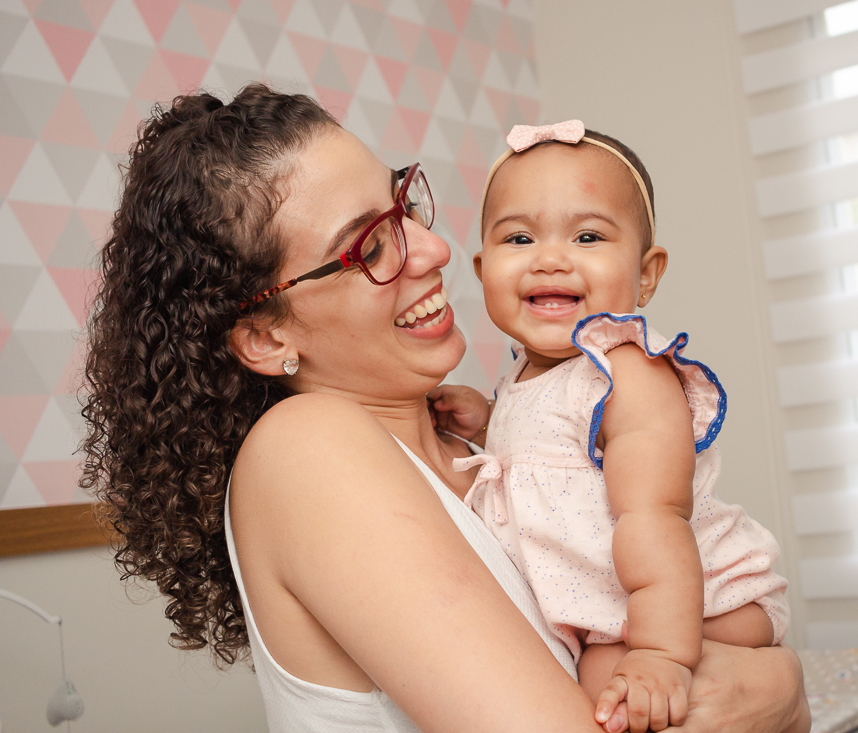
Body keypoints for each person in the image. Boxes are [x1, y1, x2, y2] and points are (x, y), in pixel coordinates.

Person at [80, 84, 810, 733]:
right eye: (369, 246)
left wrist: (775, 688)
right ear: (267, 337)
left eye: (404, 203)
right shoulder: (306, 449)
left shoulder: (491, 447)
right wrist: (781, 692)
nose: (430, 248)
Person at [428, 122, 789, 733]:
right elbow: (559, 464)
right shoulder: (525, 378)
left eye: (588, 235)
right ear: (484, 267)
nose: (549, 258)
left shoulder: (629, 375)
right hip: (624, 612)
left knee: (605, 695)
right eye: (520, 237)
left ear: (647, 274)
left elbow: (655, 515)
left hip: (700, 603)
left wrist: (660, 654)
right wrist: (490, 423)